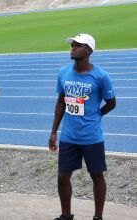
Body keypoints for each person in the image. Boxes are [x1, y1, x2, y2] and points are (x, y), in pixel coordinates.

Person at [48, 33, 116, 220]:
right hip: (68, 136)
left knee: (97, 176)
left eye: (78, 45)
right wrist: (54, 131)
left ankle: (98, 217)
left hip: (91, 137)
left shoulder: (101, 76)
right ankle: (66, 215)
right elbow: (61, 102)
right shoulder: (63, 73)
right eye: (72, 45)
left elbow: (111, 102)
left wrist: (97, 115)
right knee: (62, 176)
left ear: (89, 50)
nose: (73, 48)